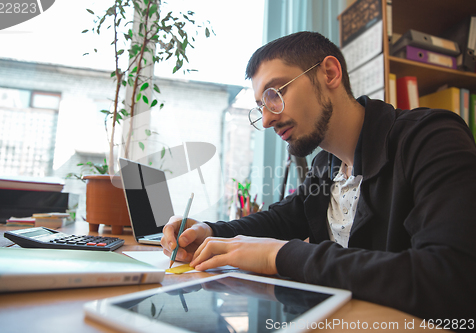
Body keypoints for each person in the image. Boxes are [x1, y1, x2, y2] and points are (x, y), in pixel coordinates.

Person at [161, 31, 476, 323]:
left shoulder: (431, 138)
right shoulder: (326, 165)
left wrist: (279, 255)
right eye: (260, 106)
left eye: (275, 93)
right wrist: (210, 231)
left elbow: (451, 278)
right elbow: (282, 219)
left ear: (329, 73)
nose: (268, 118)